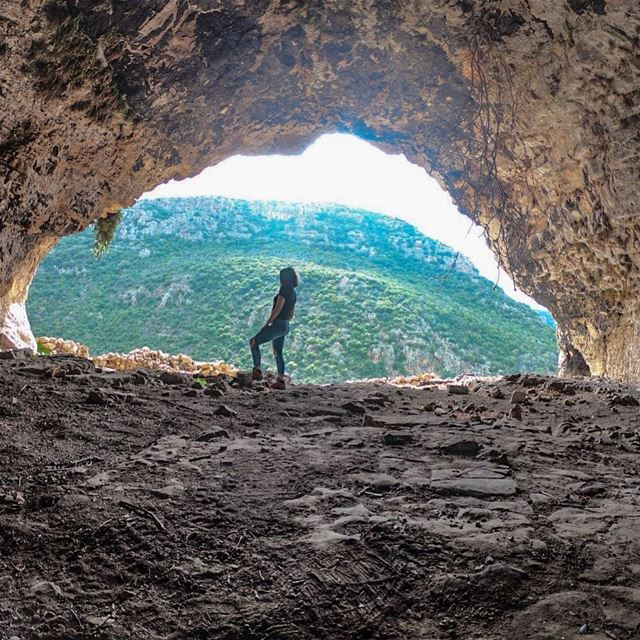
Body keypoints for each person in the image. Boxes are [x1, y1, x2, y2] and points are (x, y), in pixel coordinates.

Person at [249, 267, 298, 390]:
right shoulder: (293, 292)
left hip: (278, 324)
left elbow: (278, 308)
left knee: (254, 341)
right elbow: (291, 314)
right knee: (278, 353)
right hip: (285, 325)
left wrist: (268, 323)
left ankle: (257, 371)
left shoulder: (284, 289)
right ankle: (280, 381)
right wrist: (284, 323)